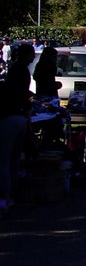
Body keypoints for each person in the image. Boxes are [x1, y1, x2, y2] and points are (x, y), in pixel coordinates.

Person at [0, 44, 34, 213]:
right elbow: (18, 92)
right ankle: (9, 194)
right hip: (16, 115)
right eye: (32, 54)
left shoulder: (16, 70)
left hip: (12, 116)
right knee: (10, 159)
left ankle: (7, 196)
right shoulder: (21, 70)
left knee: (7, 159)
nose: (33, 57)